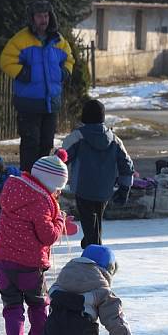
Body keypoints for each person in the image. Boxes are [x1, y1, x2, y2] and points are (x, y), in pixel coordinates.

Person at [0, 149, 70, 335]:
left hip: (3, 262)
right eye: (57, 189)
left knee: (12, 307)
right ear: (50, 183)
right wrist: (59, 220)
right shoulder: (41, 201)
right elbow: (48, 236)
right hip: (29, 265)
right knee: (37, 306)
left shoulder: (12, 188)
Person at [0, 0, 75, 172]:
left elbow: (69, 59)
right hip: (28, 102)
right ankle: (27, 180)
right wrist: (25, 74)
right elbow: (5, 61)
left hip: (51, 103)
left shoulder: (58, 40)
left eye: (46, 15)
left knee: (46, 144)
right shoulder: (20, 39)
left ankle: (43, 181)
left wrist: (64, 73)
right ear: (32, 18)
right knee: (30, 143)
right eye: (40, 16)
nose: (44, 19)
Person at [62, 99, 135, 248]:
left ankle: (93, 250)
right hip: (104, 190)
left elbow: (61, 157)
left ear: (85, 117)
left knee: (89, 222)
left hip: (83, 189)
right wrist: (124, 188)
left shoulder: (77, 136)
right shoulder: (114, 139)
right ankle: (90, 240)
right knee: (95, 220)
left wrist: (52, 181)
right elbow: (127, 165)